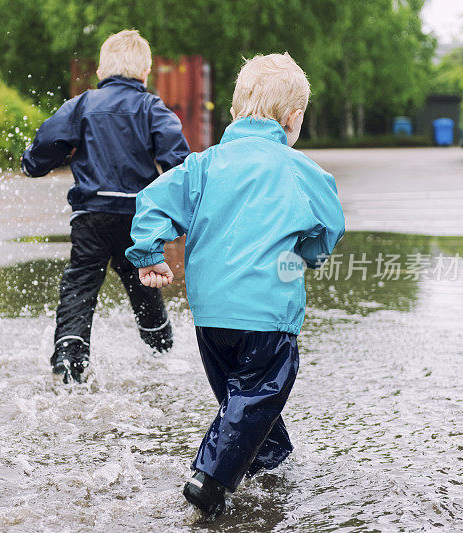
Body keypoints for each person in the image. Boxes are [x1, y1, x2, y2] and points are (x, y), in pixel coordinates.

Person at [125, 53, 345, 518]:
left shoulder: (203, 166)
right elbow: (330, 224)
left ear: (233, 113)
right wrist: (310, 252)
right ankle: (210, 477)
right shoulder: (300, 170)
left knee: (239, 397)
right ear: (293, 119)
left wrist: (149, 255)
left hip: (210, 319)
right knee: (263, 389)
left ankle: (271, 461)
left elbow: (151, 202)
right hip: (266, 316)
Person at [21, 30, 190, 384]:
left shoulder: (81, 105)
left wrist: (31, 163)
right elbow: (178, 165)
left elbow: (48, 143)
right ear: (145, 74)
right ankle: (162, 350)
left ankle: (68, 361)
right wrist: (186, 211)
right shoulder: (151, 108)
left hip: (91, 218)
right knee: (144, 283)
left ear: (101, 70)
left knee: (80, 285)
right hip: (138, 221)